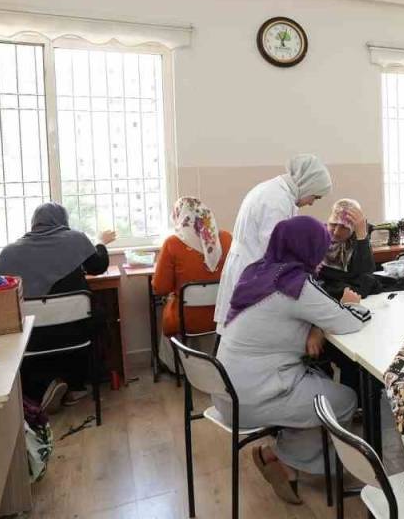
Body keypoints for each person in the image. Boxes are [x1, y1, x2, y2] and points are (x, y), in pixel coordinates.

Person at [215, 216, 369, 505]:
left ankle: (278, 453)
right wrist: (347, 305)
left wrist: (316, 325)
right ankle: (283, 462)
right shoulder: (295, 284)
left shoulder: (258, 271)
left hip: (228, 387)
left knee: (320, 384)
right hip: (253, 395)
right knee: (344, 399)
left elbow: (306, 314)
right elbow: (348, 322)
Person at [0, 202, 117, 412]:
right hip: (75, 333)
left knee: (35, 335)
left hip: (30, 338)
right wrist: (100, 242)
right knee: (98, 316)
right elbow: (98, 267)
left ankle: (38, 392)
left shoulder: (8, 253)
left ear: (34, 223)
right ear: (63, 221)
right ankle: (76, 385)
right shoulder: (76, 240)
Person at [214, 154, 332, 332]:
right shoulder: (276, 201)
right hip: (251, 268)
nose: (311, 203)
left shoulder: (276, 191)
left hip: (250, 267)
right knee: (248, 335)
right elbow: (276, 248)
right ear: (307, 185)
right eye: (314, 197)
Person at [152, 197, 231, 338]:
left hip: (184, 322)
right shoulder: (226, 239)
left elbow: (160, 288)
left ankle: (174, 359)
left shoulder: (172, 243)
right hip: (221, 319)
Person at [318, 199, 376, 301]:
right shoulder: (317, 237)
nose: (336, 232)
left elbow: (366, 273)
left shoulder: (356, 241)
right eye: (333, 224)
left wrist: (361, 236)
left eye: (344, 227)